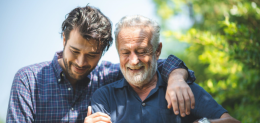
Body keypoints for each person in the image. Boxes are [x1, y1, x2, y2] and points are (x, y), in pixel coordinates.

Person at [6, 5, 196, 123]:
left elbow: (151, 63)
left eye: (92, 54)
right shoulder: (28, 81)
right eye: (74, 51)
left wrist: (176, 77)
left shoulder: (108, 75)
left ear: (104, 52)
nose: (81, 62)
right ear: (64, 40)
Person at [90, 15, 240, 123]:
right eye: (125, 52)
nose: (134, 61)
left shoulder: (181, 88)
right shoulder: (104, 97)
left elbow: (231, 121)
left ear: (157, 50)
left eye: (142, 51)